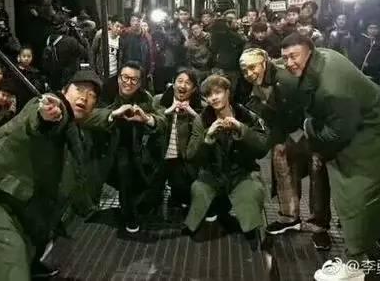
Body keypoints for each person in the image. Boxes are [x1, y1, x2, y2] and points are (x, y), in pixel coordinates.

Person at [280, 33, 380, 280]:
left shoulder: (332, 87)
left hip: (376, 140)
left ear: (309, 51)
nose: (289, 63)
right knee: (358, 198)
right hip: (368, 133)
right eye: (285, 58)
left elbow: (336, 134)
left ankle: (355, 265)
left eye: (294, 56)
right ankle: (360, 253)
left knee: (356, 197)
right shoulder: (324, 57)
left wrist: (308, 127)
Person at [0, 70, 103, 281]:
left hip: (11, 199)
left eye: (91, 95)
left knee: (32, 235)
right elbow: (40, 117)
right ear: (64, 90)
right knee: (7, 269)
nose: (84, 97)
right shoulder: (51, 109)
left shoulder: (74, 127)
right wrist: (47, 116)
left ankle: (31, 263)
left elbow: (98, 117)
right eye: (79, 89)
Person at [239, 48, 331, 250]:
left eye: (252, 67)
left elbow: (307, 104)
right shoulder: (256, 84)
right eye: (244, 70)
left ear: (264, 62)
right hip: (285, 130)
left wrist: (309, 132)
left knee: (317, 174)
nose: (249, 73)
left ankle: (320, 226)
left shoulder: (285, 78)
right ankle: (289, 216)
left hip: (310, 127)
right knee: (283, 169)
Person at [184, 75, 270, 250]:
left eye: (218, 92)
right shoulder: (202, 119)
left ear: (227, 92)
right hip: (213, 174)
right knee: (199, 189)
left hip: (242, 173)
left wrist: (241, 129)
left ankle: (250, 226)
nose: (213, 98)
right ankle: (213, 211)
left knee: (253, 191)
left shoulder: (246, 116)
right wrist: (208, 137)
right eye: (209, 95)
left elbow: (262, 148)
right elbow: (191, 156)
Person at [83, 61, 167, 233]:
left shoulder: (144, 98)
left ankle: (130, 211)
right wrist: (112, 114)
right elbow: (85, 116)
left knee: (136, 175)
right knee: (119, 171)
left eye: (134, 80)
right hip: (103, 147)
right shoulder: (103, 93)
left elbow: (161, 120)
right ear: (118, 78)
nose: (129, 83)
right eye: (125, 78)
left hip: (133, 147)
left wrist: (147, 119)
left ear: (140, 82)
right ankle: (126, 213)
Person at [143, 69, 203, 210]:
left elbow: (204, 132)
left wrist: (193, 114)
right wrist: (168, 110)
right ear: (173, 83)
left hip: (182, 159)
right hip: (159, 155)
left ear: (194, 89)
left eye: (188, 83)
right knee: (148, 202)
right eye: (180, 81)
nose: (182, 85)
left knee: (182, 198)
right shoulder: (158, 100)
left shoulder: (201, 106)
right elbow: (149, 125)